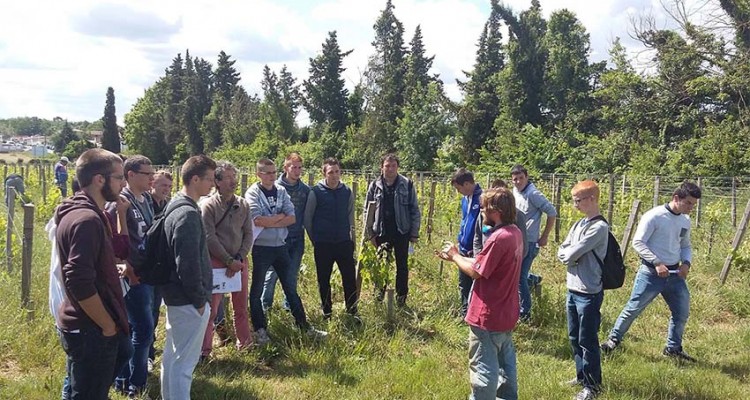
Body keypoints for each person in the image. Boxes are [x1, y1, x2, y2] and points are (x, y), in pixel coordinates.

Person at [54, 148, 132, 400]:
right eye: (119, 177)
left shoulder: (84, 212)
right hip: (90, 327)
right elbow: (77, 279)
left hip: (90, 324)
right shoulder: (86, 219)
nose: (123, 183)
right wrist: (107, 325)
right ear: (100, 179)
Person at [601, 181, 702, 362]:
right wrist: (656, 262)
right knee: (634, 308)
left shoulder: (685, 221)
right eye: (688, 203)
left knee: (682, 311)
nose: (691, 208)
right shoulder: (654, 216)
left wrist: (686, 263)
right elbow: (638, 242)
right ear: (676, 198)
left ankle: (673, 348)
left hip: (674, 275)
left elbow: (685, 245)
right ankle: (613, 340)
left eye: (694, 205)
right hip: (651, 273)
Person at [437, 187, 523, 400]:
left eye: (484, 208)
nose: (482, 212)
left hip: (487, 315)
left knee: (483, 372)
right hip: (505, 314)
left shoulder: (497, 239)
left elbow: (476, 272)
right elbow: (484, 265)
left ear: (496, 211)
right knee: (505, 368)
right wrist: (456, 258)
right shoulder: (515, 233)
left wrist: (456, 256)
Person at [245, 158, 327, 345]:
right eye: (267, 172)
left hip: (280, 246)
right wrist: (279, 217)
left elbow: (292, 217)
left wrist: (272, 220)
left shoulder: (281, 191)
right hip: (262, 248)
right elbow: (257, 220)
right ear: (259, 174)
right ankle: (260, 330)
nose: (272, 176)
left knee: (290, 287)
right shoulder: (253, 192)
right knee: (256, 290)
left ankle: (303, 326)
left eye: (274, 172)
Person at [159, 155, 216, 400]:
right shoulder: (188, 215)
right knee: (184, 365)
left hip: (176, 296)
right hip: (188, 300)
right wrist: (200, 300)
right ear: (195, 179)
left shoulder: (174, 205)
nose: (213, 184)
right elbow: (188, 263)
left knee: (173, 357)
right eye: (210, 179)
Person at [107, 155, 156, 397]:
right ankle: (133, 382)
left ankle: (127, 377)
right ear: (130, 175)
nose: (151, 178)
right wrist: (127, 268)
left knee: (140, 328)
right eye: (146, 174)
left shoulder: (146, 198)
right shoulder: (119, 202)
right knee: (141, 328)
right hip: (132, 277)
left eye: (151, 173)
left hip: (147, 273)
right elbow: (114, 242)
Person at [557, 180, 608, 400]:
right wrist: (568, 254)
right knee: (573, 337)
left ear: (592, 199)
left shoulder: (599, 227)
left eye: (578, 200)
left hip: (588, 291)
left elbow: (570, 254)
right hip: (572, 287)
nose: (575, 205)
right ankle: (581, 376)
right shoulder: (578, 225)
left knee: (588, 340)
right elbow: (563, 250)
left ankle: (592, 386)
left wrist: (569, 255)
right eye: (574, 200)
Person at [200, 161, 254, 359]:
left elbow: (248, 233)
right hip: (216, 262)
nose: (233, 181)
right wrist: (227, 259)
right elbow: (209, 236)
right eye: (229, 178)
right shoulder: (209, 205)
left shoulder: (243, 204)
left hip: (239, 263)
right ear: (218, 181)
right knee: (211, 310)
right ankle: (204, 351)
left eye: (234, 177)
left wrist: (239, 258)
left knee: (241, 306)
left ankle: (245, 344)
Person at [303, 157, 359, 319]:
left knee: (349, 278)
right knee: (324, 279)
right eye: (330, 172)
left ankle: (352, 311)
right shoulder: (316, 192)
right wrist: (315, 239)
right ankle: (327, 312)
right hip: (323, 243)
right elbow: (308, 218)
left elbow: (350, 217)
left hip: (343, 242)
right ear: (324, 173)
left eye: (337, 171)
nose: (334, 175)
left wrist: (351, 239)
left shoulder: (346, 192)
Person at [364, 153, 421, 307]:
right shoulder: (374, 186)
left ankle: (401, 299)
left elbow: (414, 210)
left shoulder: (407, 184)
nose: (390, 169)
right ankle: (378, 298)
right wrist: (370, 234)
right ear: (381, 167)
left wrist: (414, 233)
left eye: (393, 165)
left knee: (402, 267)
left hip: (402, 231)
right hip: (381, 233)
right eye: (387, 166)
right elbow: (366, 211)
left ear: (398, 167)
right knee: (381, 266)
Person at [262, 152, 310, 312]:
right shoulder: (274, 188)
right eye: (293, 167)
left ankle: (288, 306)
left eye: (299, 168)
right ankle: (265, 306)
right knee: (272, 274)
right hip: (278, 238)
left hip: (297, 238)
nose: (297, 171)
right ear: (285, 168)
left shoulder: (305, 190)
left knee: (292, 274)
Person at [511, 164, 557, 321]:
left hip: (529, 241)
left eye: (520, 178)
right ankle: (533, 280)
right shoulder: (515, 192)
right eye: (515, 179)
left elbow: (552, 212)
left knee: (518, 278)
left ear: (527, 176)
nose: (517, 182)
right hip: (517, 239)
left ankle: (525, 313)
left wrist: (544, 236)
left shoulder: (533, 194)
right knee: (516, 273)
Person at [148, 169, 173, 370]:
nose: (166, 189)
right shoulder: (144, 204)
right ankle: (145, 351)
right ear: (152, 184)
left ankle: (150, 347)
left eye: (169, 186)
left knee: (155, 308)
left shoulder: (167, 206)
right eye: (163, 185)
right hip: (146, 266)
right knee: (146, 310)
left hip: (159, 265)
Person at [451, 168, 482, 317]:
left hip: (476, 249)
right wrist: (460, 238)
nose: (459, 192)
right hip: (463, 247)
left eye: (459, 188)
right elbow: (465, 221)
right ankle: (465, 313)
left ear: (468, 184)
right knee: (463, 283)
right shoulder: (465, 199)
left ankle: (476, 314)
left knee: (477, 284)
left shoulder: (482, 199)